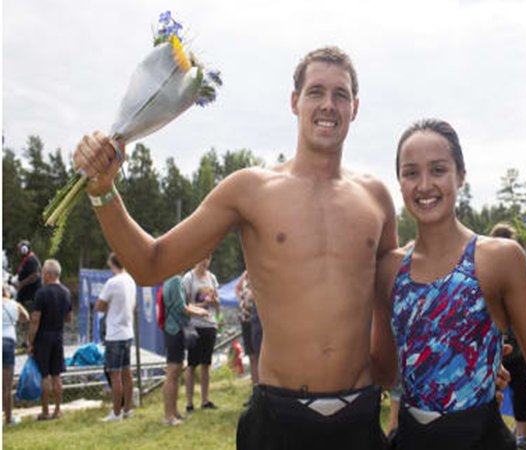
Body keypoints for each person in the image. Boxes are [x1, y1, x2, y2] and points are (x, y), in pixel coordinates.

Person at [74, 46, 398, 449]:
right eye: (316, 91)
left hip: (358, 420)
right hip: (279, 420)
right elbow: (150, 264)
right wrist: (103, 192)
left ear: (355, 107)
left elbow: (393, 304)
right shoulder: (250, 190)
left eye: (341, 94)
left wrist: (401, 379)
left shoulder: (376, 199)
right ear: (294, 101)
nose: (328, 105)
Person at [370, 119, 526, 449]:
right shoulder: (389, 269)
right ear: (399, 182)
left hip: (482, 438)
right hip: (412, 440)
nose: (424, 185)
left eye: (438, 170)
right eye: (411, 172)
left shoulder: (499, 258)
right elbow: (385, 372)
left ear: (460, 175)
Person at [489, 223, 526, 450]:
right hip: (495, 345)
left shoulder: (521, 273)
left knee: (521, 389)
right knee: (492, 393)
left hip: (518, 346)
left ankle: (521, 437)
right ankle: (496, 435)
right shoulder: (485, 273)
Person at [161, 274, 211, 426]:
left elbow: (185, 304)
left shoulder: (172, 280)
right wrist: (200, 312)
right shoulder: (175, 280)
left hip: (174, 329)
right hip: (174, 330)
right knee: (172, 372)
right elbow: (181, 308)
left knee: (176, 372)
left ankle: (174, 412)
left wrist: (198, 309)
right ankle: (168, 415)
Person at [27, 259, 72, 421]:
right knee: (57, 375)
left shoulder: (41, 293)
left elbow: (35, 320)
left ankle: (45, 411)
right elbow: (69, 318)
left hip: (43, 337)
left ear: (47, 274)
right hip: (58, 336)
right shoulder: (66, 292)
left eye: (43, 273)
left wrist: (30, 341)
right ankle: (58, 410)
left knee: (44, 375)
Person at [95, 252, 137, 422]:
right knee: (127, 373)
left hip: (114, 334)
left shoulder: (112, 282)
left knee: (115, 375)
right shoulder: (131, 280)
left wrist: (109, 307)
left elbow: (99, 306)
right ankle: (127, 410)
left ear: (111, 264)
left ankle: (116, 413)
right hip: (128, 332)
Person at [181, 256, 220, 412]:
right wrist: (202, 304)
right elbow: (184, 304)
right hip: (194, 325)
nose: (205, 262)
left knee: (206, 363)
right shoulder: (188, 278)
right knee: (191, 364)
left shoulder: (212, 278)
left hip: (210, 324)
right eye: (203, 258)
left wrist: (214, 301)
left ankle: (205, 400)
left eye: (208, 258)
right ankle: (189, 402)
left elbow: (217, 301)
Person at [3, 284, 30, 425]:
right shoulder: (14, 304)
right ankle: (8, 418)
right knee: (6, 386)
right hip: (8, 342)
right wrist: (15, 320)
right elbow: (26, 317)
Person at [13, 240, 42, 347]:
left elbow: (36, 275)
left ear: (24, 249)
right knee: (23, 319)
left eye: (19, 249)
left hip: (30, 296)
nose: (17, 251)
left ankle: (29, 342)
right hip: (24, 295)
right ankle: (25, 341)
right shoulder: (26, 260)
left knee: (28, 318)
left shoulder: (32, 260)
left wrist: (21, 284)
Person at [235, 270, 261, 385]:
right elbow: (237, 287)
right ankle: (255, 386)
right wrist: (241, 299)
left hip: (258, 319)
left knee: (259, 353)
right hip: (245, 319)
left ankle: (264, 384)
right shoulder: (245, 274)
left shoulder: (260, 271)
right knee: (251, 355)